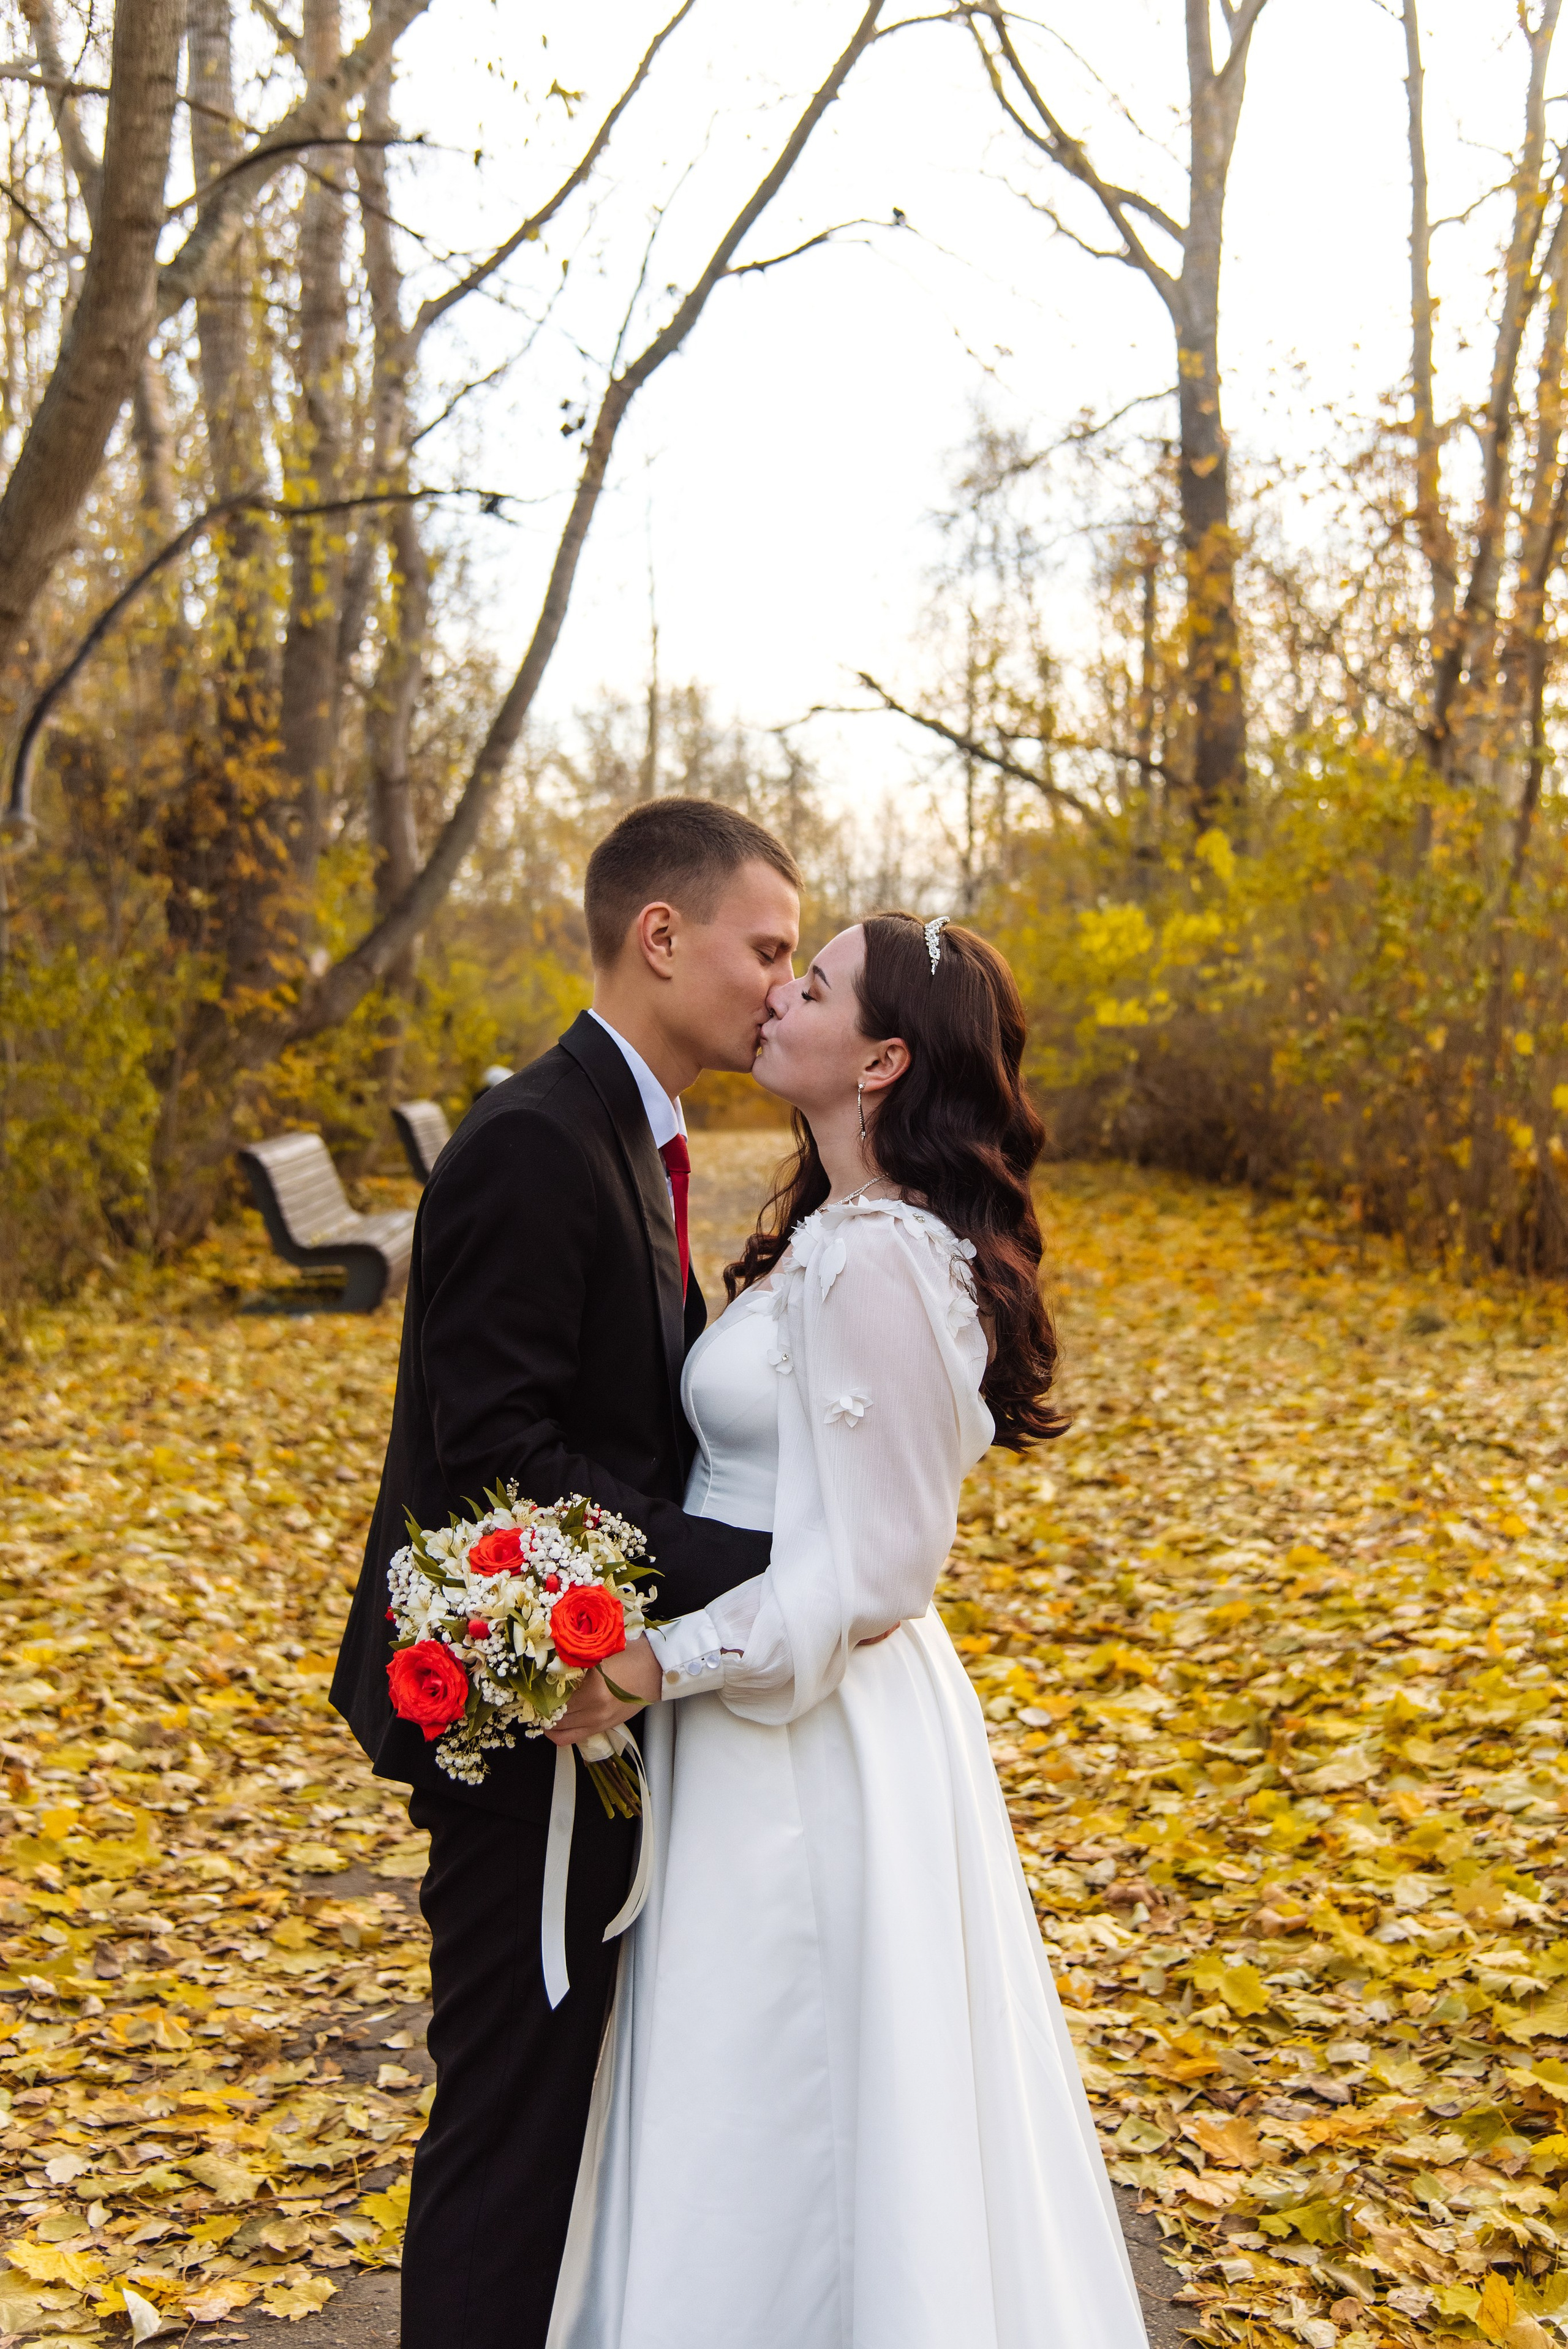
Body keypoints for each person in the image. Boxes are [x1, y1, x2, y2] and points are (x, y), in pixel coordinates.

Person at [545, 912, 1149, 2349]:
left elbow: (873, 1578)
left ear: (879, 1058)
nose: (775, 992)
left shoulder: (879, 1256)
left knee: (800, 2093)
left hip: (813, 1745)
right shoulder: (826, 1227)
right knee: (745, 2090)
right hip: (764, 1731)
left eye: (807, 983)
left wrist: (652, 1662)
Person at [329, 797, 802, 2349]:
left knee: (565, 2116)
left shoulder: (628, 1136)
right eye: (765, 948)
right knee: (513, 2129)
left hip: (583, 1702)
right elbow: (496, 1464)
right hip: (518, 1721)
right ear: (658, 938)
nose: (780, 987)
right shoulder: (536, 1142)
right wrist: (759, 1571)